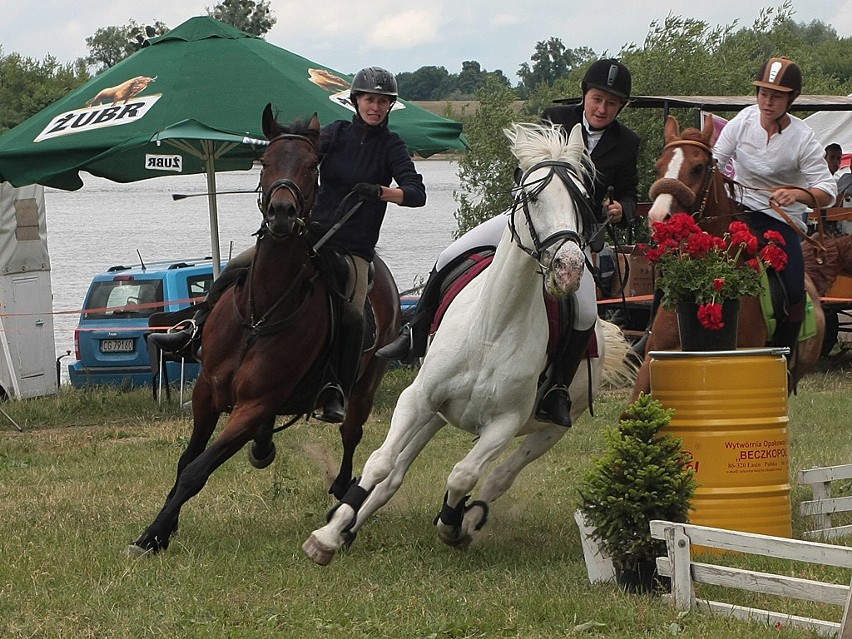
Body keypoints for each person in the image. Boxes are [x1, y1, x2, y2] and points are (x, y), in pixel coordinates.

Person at [377, 58, 640, 428]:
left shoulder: (627, 143)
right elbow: (522, 170)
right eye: (598, 99)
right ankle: (415, 334)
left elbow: (630, 195)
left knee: (583, 314)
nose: (602, 109)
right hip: (527, 220)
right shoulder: (555, 117)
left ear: (620, 108)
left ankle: (557, 390)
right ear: (585, 95)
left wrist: (619, 210)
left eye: (611, 104)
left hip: (572, 237)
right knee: (449, 253)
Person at [156, 66, 426, 424]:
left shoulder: (391, 146)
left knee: (352, 314)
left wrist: (381, 191)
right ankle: (193, 330)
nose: (375, 107)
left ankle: (336, 389)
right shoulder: (336, 134)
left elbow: (417, 194)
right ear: (356, 101)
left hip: (353, 247)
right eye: (369, 99)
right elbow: (300, 153)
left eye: (382, 102)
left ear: (389, 107)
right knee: (236, 268)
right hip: (308, 233)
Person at [712, 56, 836, 372]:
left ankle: (783, 354)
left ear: (790, 99)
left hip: (781, 220)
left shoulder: (803, 137)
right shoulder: (741, 123)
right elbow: (713, 161)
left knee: (794, 288)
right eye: (763, 93)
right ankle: (654, 336)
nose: (767, 101)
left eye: (777, 95)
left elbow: (828, 190)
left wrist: (799, 193)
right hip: (736, 211)